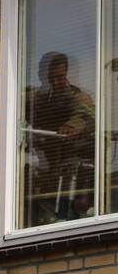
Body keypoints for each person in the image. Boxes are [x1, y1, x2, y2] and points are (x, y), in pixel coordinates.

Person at [25, 51, 95, 224]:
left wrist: (73, 126)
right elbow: (16, 107)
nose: (55, 82)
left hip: (72, 166)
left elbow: (86, 115)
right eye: (51, 78)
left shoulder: (77, 96)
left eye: (60, 77)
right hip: (47, 166)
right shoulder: (37, 99)